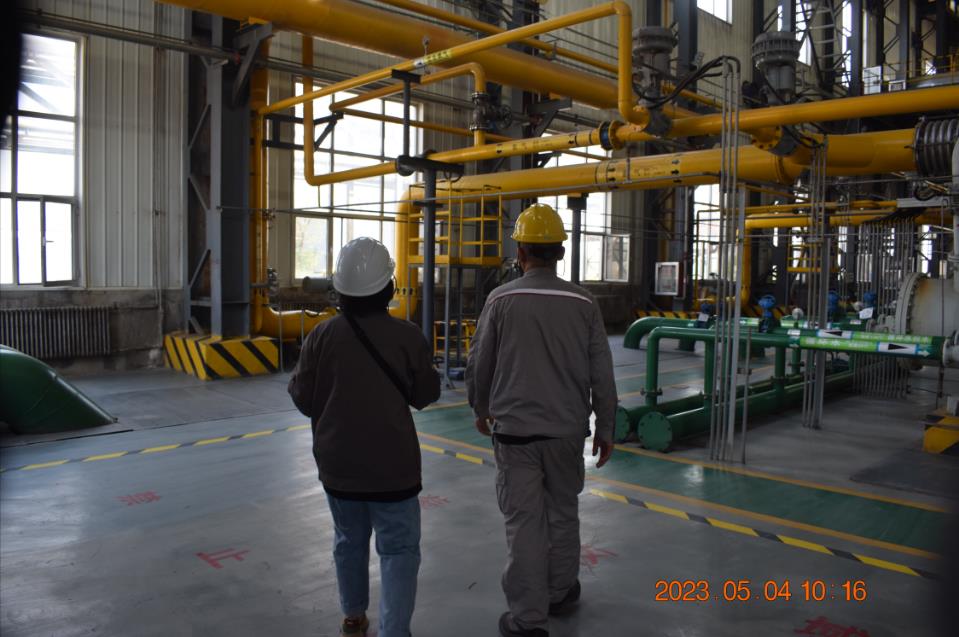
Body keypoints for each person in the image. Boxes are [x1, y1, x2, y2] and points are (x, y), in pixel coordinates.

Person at [465, 203, 618, 637]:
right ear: (561, 252)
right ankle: (560, 590)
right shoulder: (584, 303)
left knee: (524, 523)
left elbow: (479, 363)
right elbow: (601, 371)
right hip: (567, 432)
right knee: (563, 512)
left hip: (515, 434)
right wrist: (606, 426)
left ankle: (528, 619)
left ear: (520, 251)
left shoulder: (500, 300)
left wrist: (480, 407)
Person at [289, 237, 440, 637]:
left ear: (339, 290)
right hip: (394, 470)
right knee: (399, 550)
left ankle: (353, 616)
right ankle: (394, 631)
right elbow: (426, 396)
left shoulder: (320, 337)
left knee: (348, 540)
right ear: (389, 287)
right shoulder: (408, 336)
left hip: (338, 467)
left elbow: (302, 399)